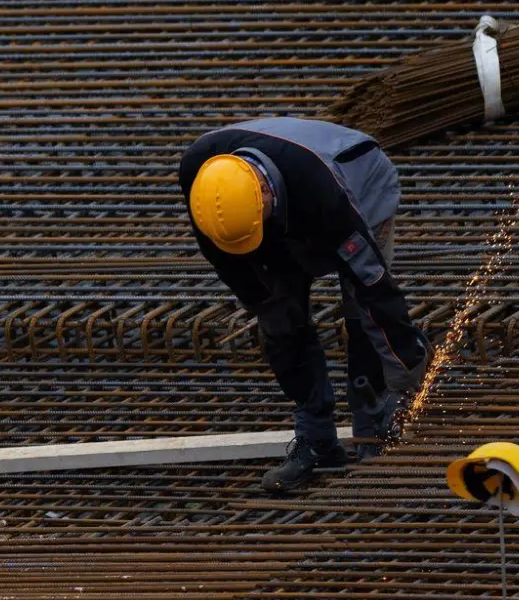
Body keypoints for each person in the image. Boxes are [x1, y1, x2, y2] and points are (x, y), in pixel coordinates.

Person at [179, 117, 429, 492]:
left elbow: (373, 285)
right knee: (279, 318)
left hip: (359, 181)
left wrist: (406, 358)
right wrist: (269, 305)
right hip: (273, 219)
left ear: (264, 193)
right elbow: (235, 270)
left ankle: (374, 427)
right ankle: (316, 437)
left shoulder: (321, 191)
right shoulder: (201, 180)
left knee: (362, 309)